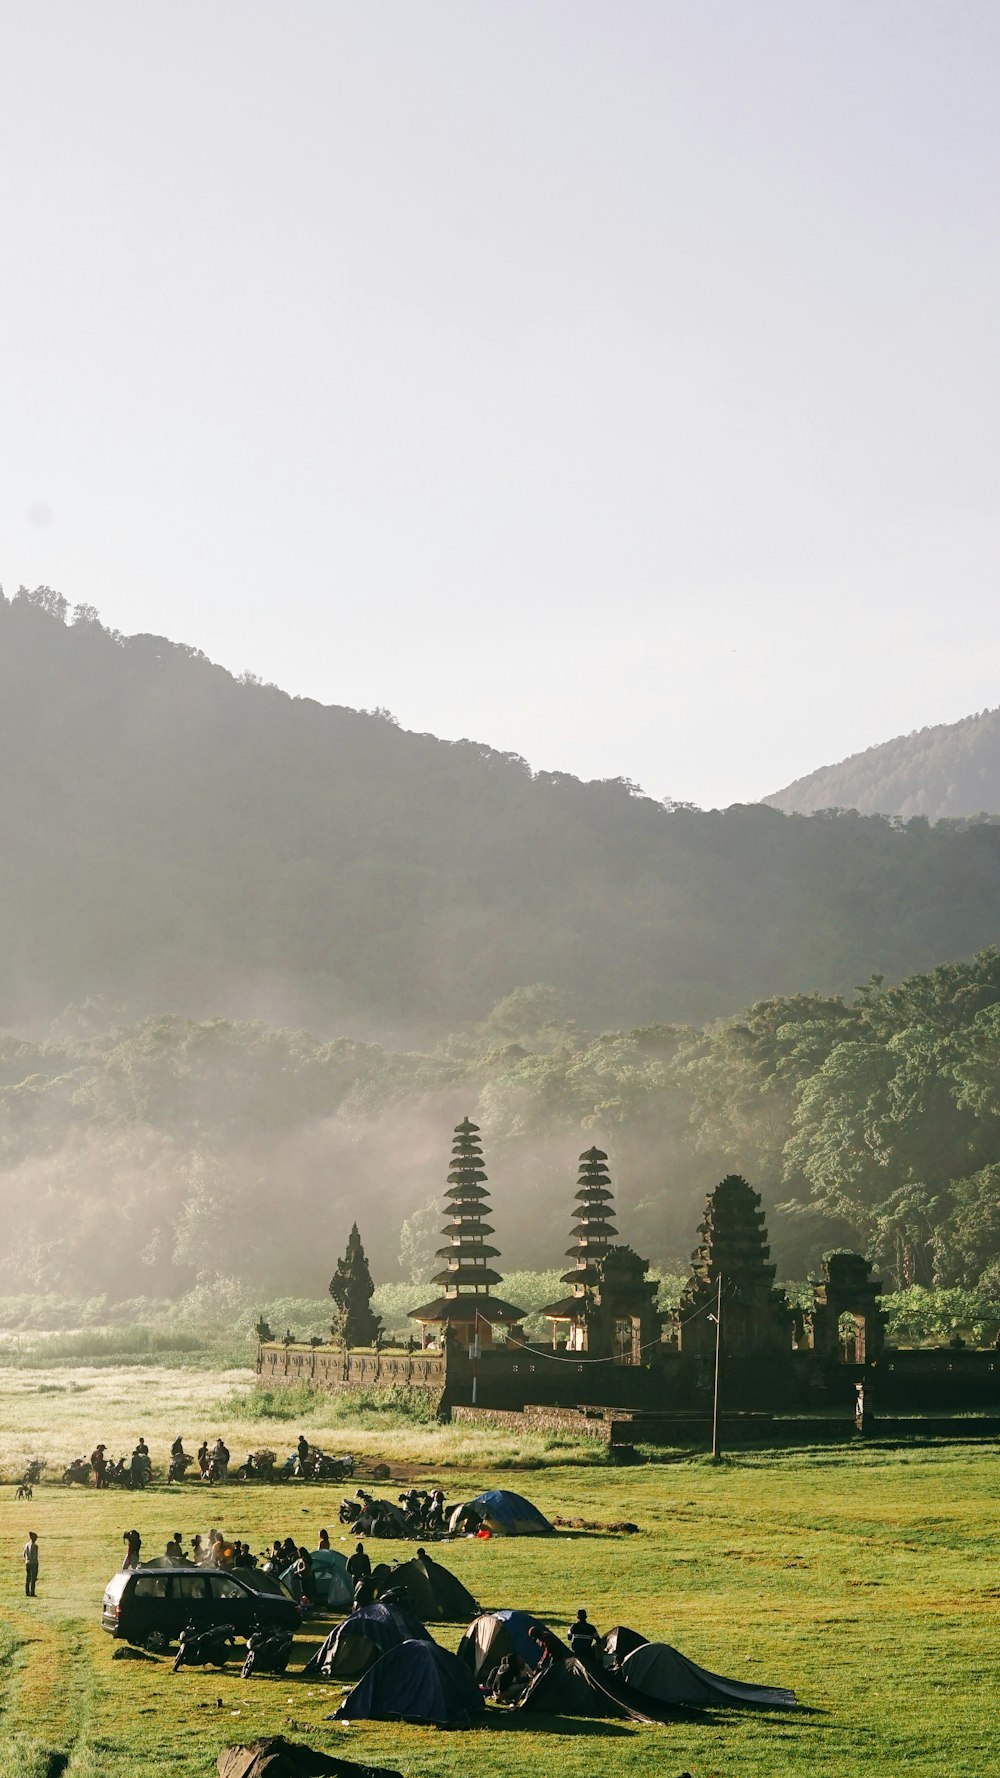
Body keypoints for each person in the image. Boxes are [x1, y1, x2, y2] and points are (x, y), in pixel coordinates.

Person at [23, 1532, 39, 1597]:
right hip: (34, 1563)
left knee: (28, 1578)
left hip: (27, 1562)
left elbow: (24, 1554)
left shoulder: (26, 1545)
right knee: (33, 1579)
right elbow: (35, 1555)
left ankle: (27, 1592)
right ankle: (32, 1592)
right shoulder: (35, 1546)